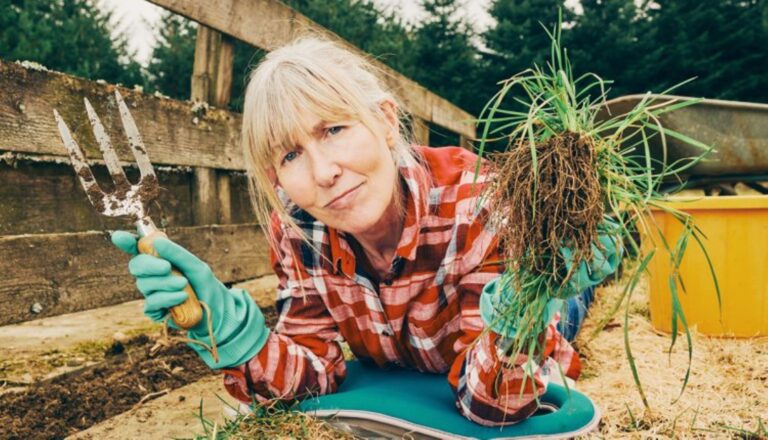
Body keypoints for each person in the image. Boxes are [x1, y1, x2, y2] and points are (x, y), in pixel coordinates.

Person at [111, 37, 621, 427]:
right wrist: (232, 335)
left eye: (333, 130)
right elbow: (314, 376)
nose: (323, 172)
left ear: (383, 121)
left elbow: (492, 404)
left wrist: (524, 305)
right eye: (290, 156)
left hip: (502, 330)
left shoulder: (477, 199)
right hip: (421, 353)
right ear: (276, 178)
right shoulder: (298, 228)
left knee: (569, 304)